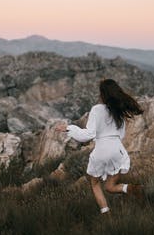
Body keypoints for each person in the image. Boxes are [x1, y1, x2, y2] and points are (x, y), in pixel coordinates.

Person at [58, 78, 143, 214]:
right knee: (110, 186)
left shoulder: (97, 109)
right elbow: (120, 134)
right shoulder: (119, 111)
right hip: (118, 150)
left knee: (95, 184)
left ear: (103, 94)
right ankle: (130, 189)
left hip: (102, 150)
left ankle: (106, 215)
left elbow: (88, 135)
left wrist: (69, 129)